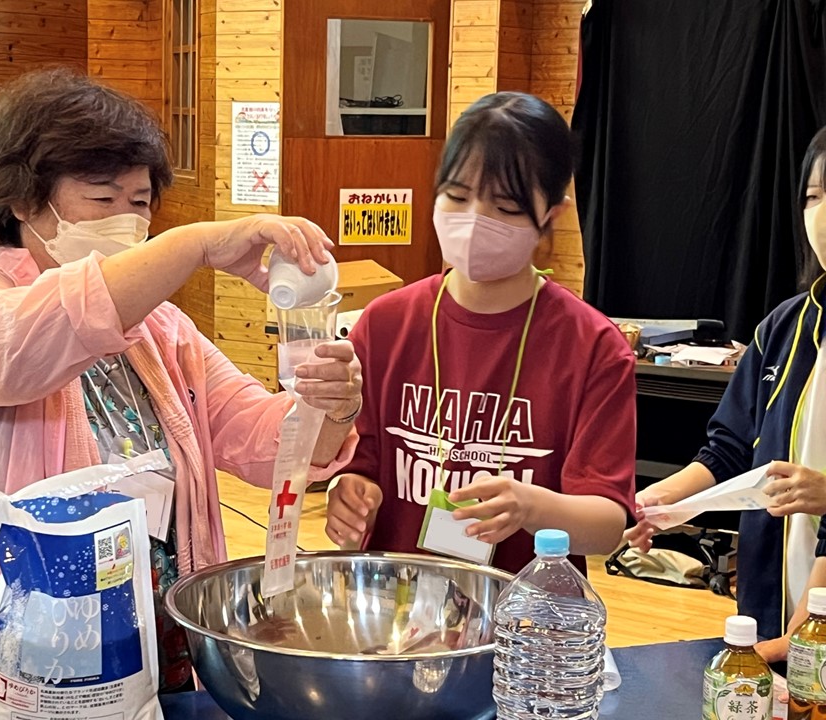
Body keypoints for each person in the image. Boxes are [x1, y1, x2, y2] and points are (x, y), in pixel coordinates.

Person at [0, 68, 362, 716]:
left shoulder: (163, 331)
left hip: (142, 666)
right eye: (102, 197)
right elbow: (24, 345)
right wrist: (195, 244)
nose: (126, 220)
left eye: (139, 202)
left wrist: (331, 406)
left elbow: (267, 441)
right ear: (24, 202)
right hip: (0, 672)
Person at [323, 92, 636, 576]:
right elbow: (355, 462)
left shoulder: (592, 346)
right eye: (457, 196)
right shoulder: (385, 324)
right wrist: (348, 491)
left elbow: (607, 525)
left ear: (551, 214)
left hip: (521, 608)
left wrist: (531, 506)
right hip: (395, 602)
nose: (475, 220)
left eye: (506, 206)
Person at [624, 127, 826, 652]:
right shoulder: (783, 328)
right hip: (769, 604)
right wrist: (660, 501)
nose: (820, 214)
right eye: (812, 197)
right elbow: (730, 449)